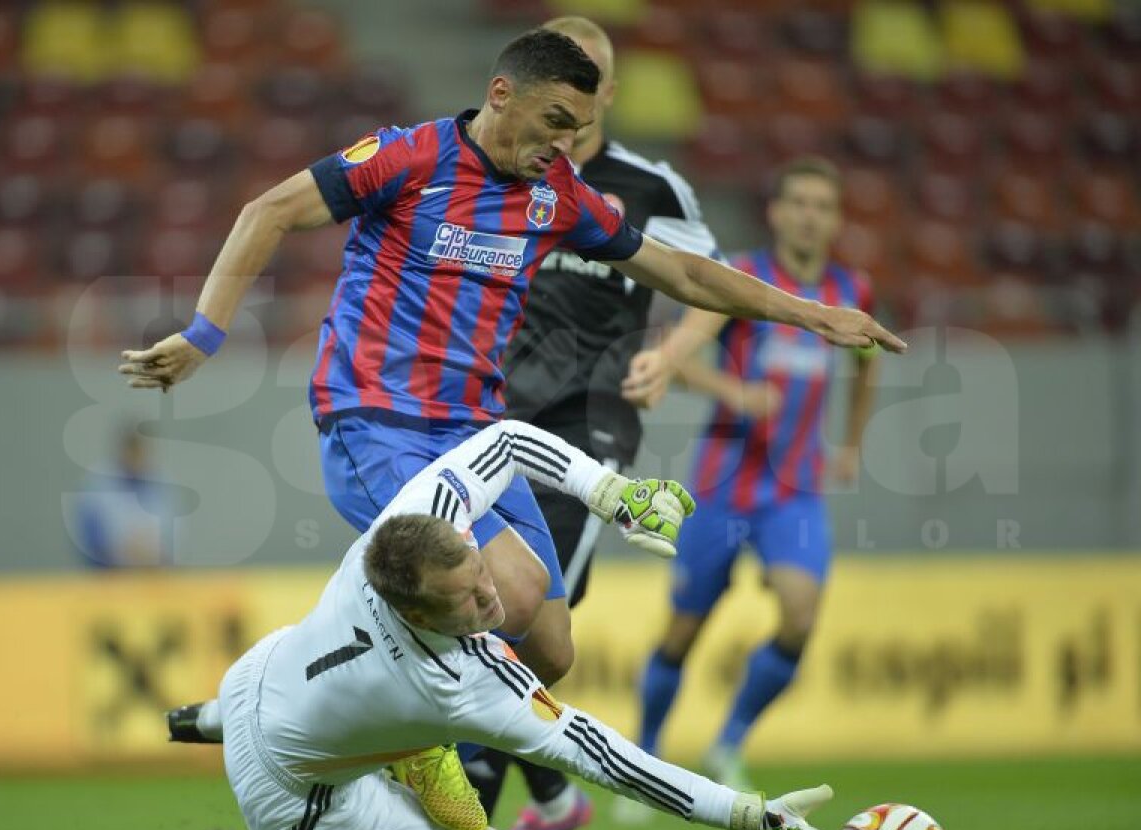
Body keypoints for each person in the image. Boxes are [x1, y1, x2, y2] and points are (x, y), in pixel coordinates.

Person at [118, 29, 905, 699]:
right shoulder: (408, 157)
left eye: (581, 129)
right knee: (511, 592)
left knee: (552, 652)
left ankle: (375, 744)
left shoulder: (558, 196)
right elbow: (270, 212)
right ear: (502, 94)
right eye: (555, 121)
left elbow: (686, 274)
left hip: (476, 435)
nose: (565, 145)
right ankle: (308, 712)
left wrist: (814, 312)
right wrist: (203, 336)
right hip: (376, 420)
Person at [188, 419, 835, 830]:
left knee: (336, 701)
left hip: (256, 676)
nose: (490, 595)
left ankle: (332, 739)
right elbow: (609, 760)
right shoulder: (462, 686)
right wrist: (755, 818)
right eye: (466, 601)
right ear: (417, 616)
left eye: (478, 571)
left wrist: (611, 493)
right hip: (293, 799)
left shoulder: (415, 519)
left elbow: (503, 440)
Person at [465, 16, 723, 830]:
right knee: (494, 618)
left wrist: (670, 353)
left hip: (594, 417)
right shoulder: (498, 171)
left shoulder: (648, 188)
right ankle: (551, 794)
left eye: (593, 76)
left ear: (607, 91)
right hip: (490, 415)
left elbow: (707, 285)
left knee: (515, 614)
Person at [619, 157, 879, 800]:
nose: (810, 215)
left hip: (793, 490)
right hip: (723, 484)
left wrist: (849, 443)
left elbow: (868, 366)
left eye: (823, 205)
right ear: (777, 211)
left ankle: (728, 741)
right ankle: (646, 757)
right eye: (799, 202)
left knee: (800, 615)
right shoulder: (744, 278)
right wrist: (732, 389)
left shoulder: (853, 293)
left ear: (836, 219)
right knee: (683, 632)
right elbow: (679, 355)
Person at [72, 425, 175, 568]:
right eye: (133, 451)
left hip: (152, 577)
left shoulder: (158, 481)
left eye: (142, 451)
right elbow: (91, 541)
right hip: (107, 578)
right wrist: (125, 550)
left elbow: (171, 537)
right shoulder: (97, 484)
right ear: (123, 450)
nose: (137, 457)